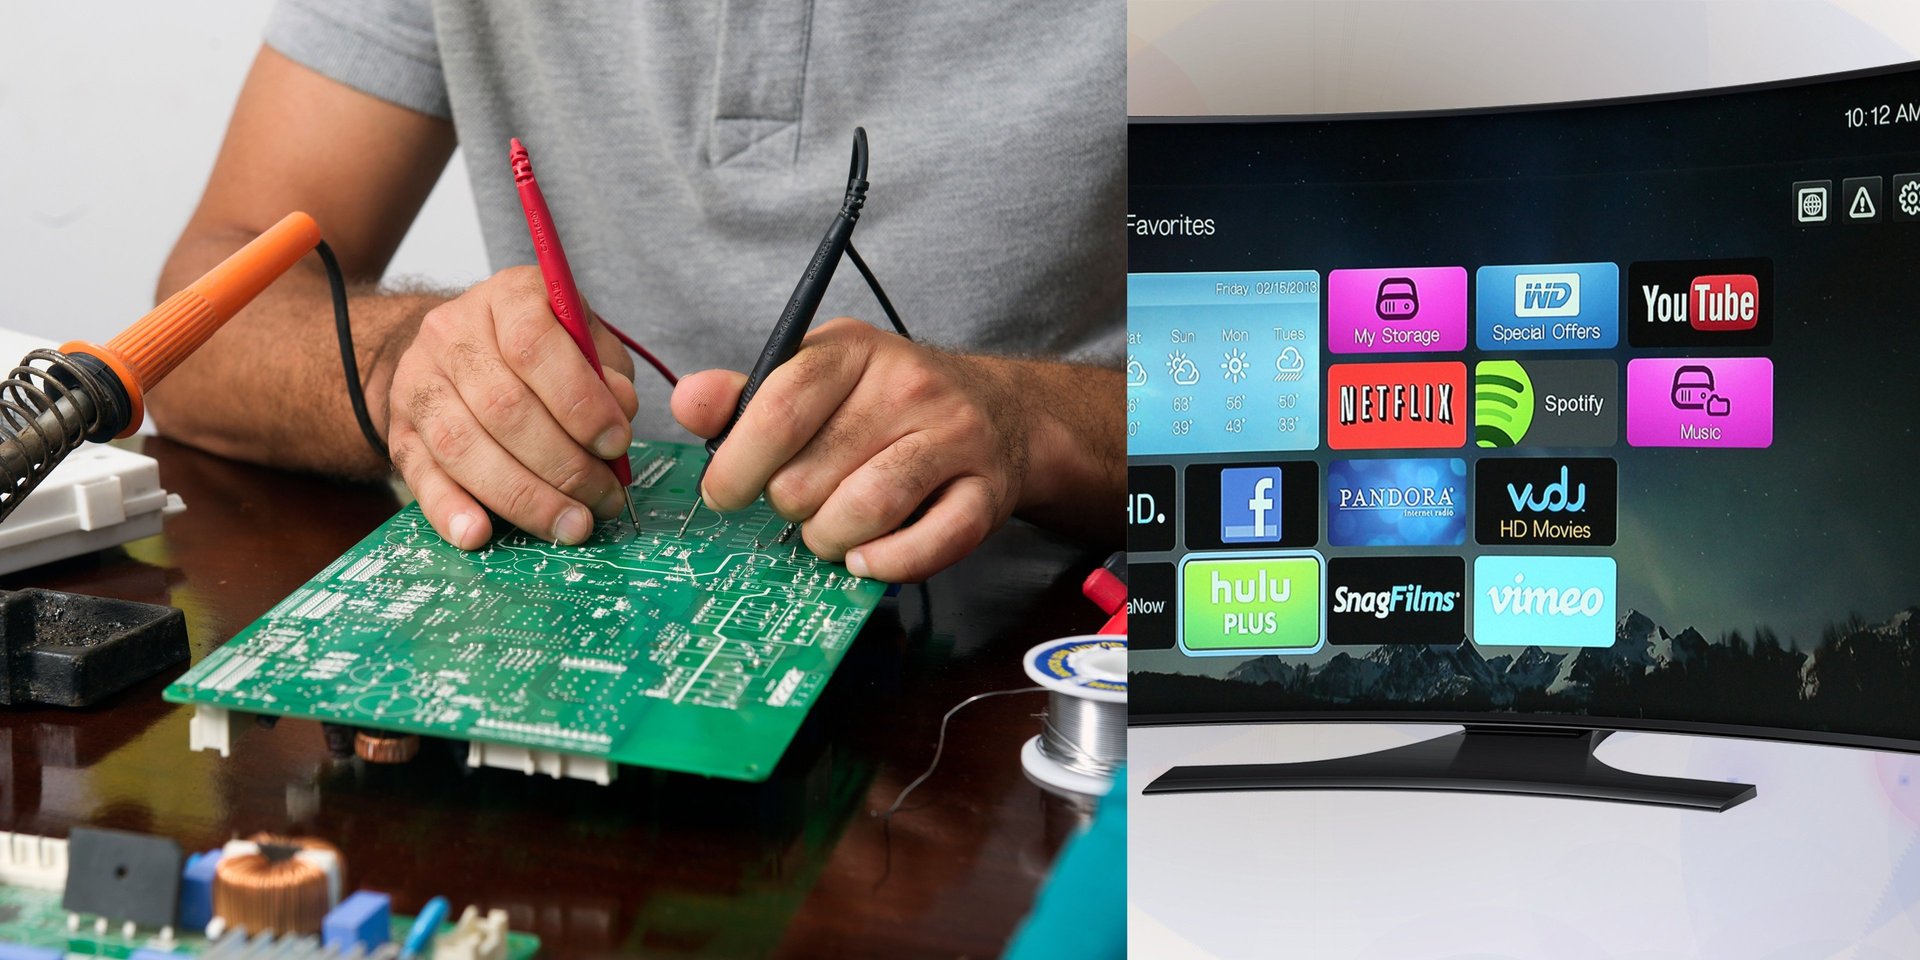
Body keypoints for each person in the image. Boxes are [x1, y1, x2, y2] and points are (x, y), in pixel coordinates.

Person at [152, 1, 1123, 583]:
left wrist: (1030, 426)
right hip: (561, 628)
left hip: (1049, 690)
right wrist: (402, 368)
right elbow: (191, 333)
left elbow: (1279, 394)